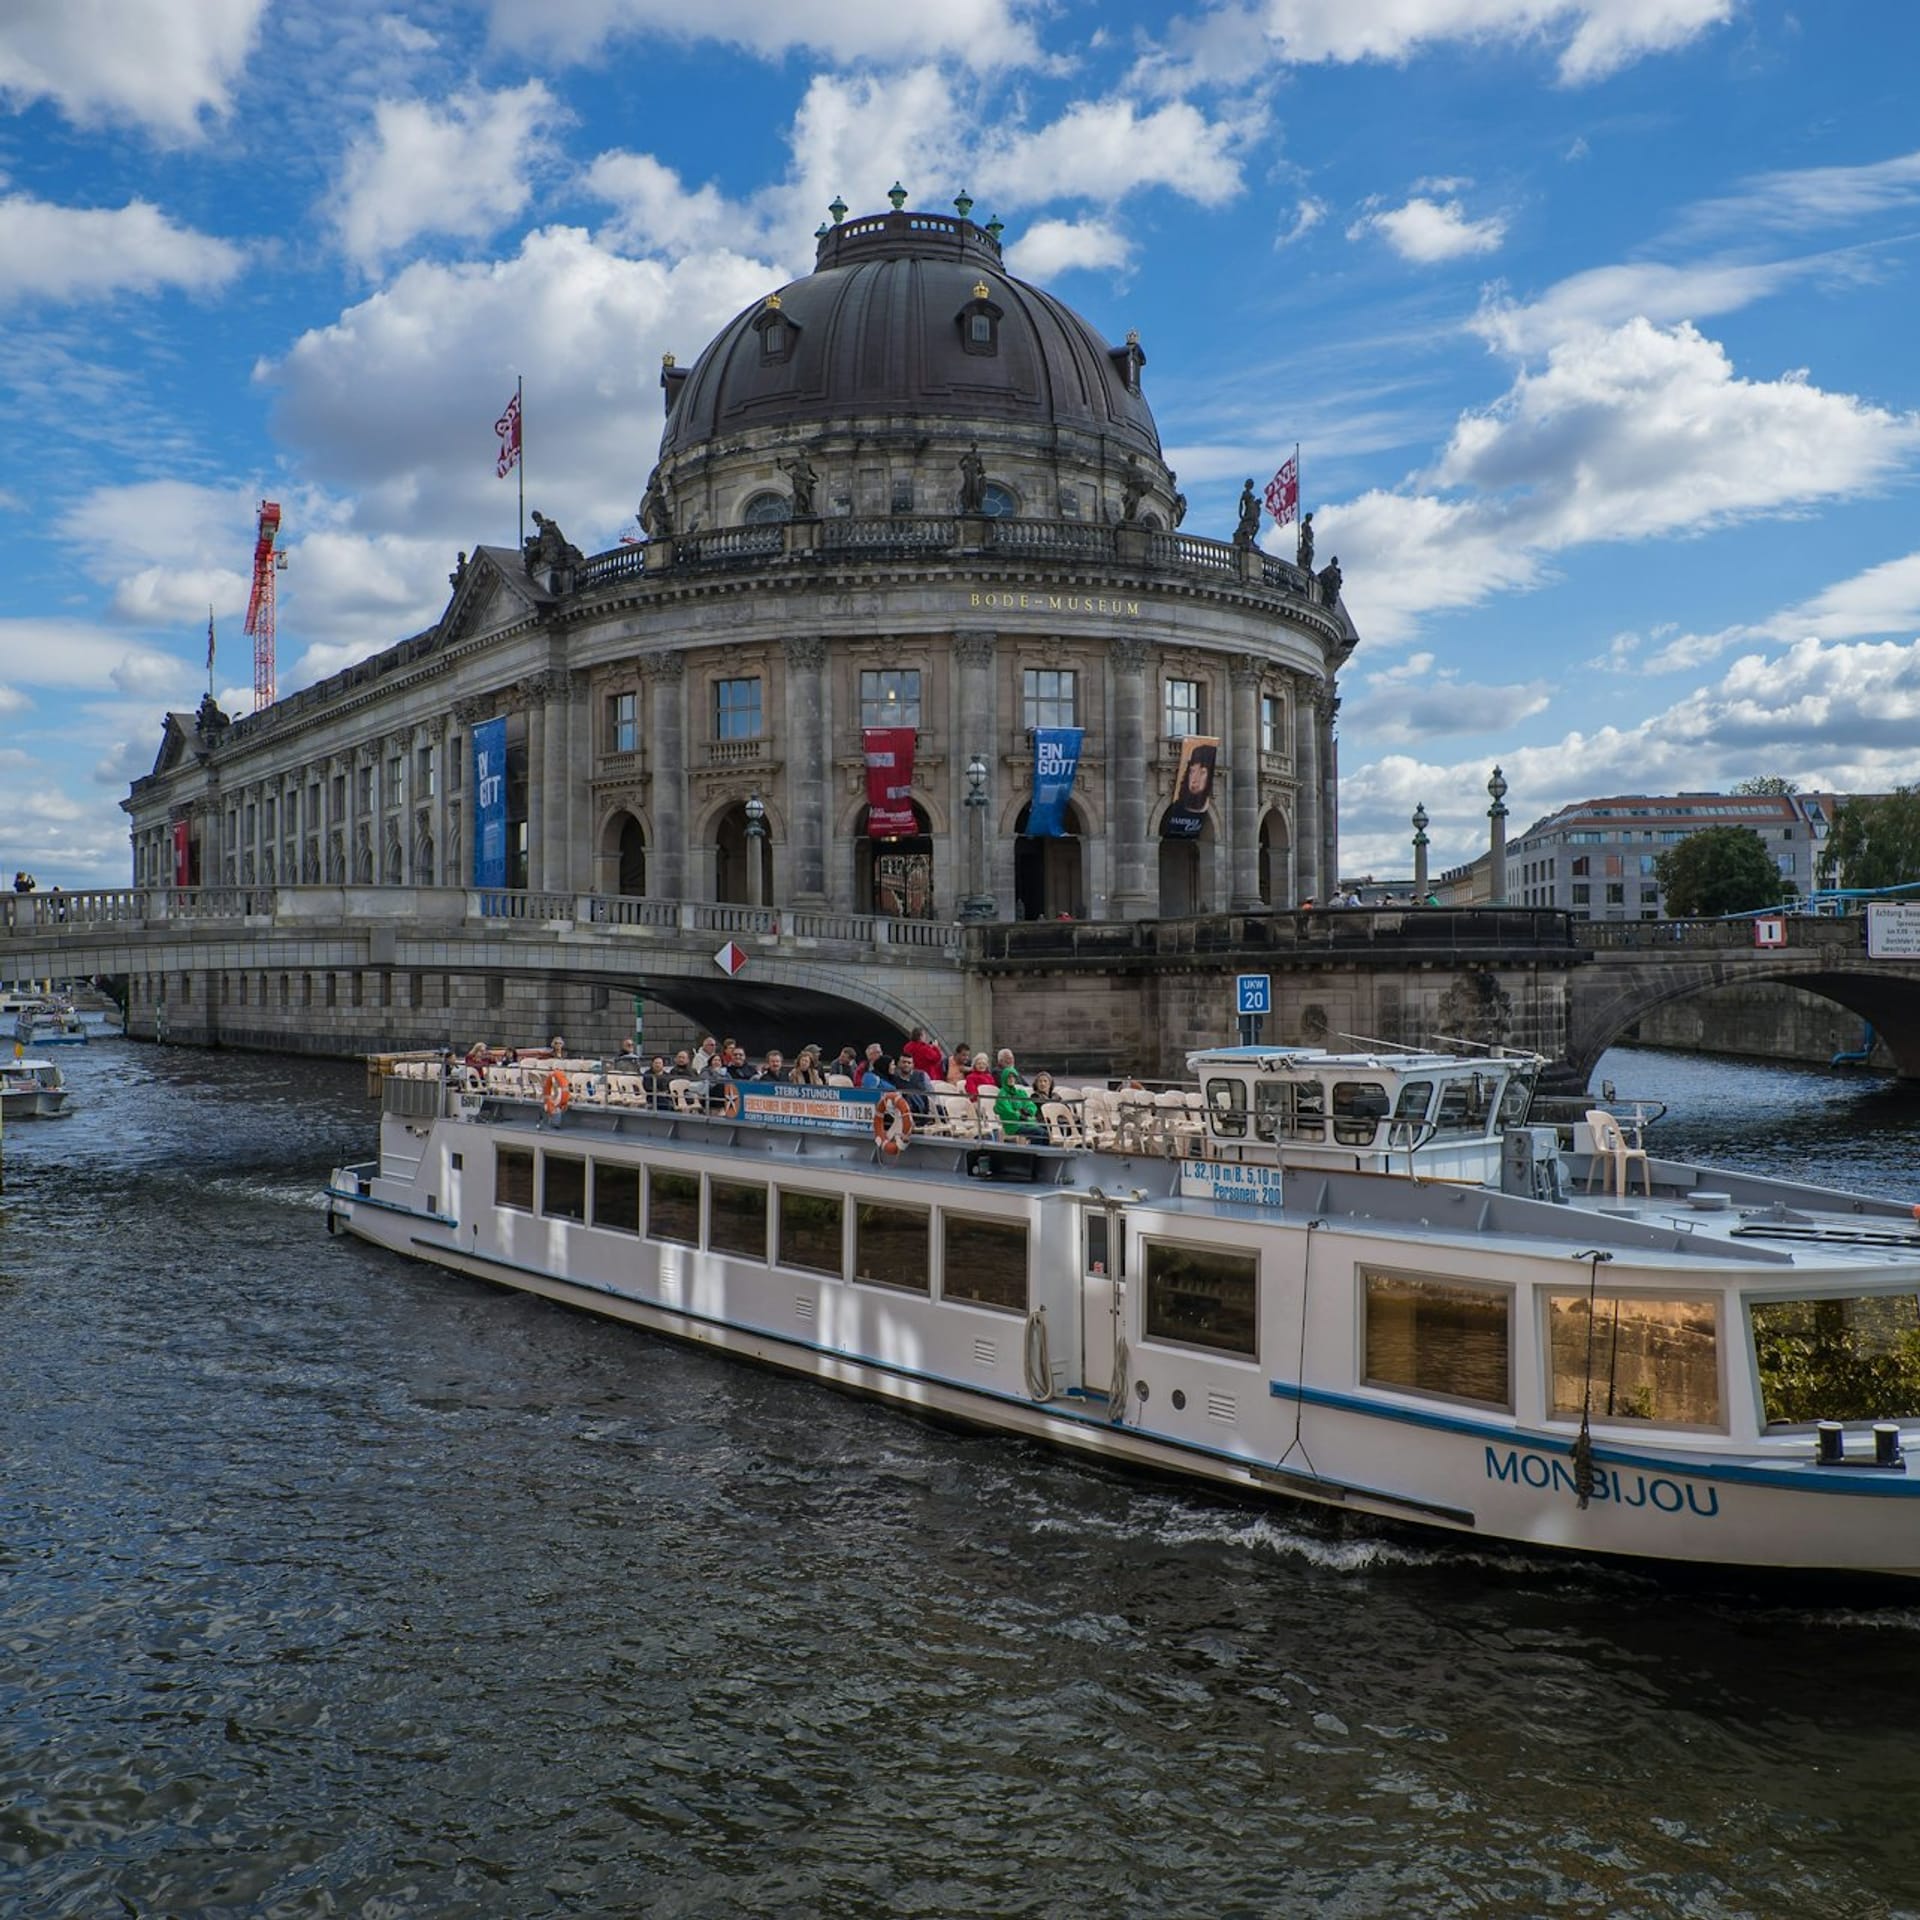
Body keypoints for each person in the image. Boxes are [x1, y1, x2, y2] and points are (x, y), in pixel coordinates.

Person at [995, 1064, 1044, 1142]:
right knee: (1039, 1132)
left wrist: (1028, 1112)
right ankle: (1035, 1151)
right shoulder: (1002, 1094)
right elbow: (1007, 1111)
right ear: (1004, 1078)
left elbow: (1031, 1105)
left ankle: (1039, 1151)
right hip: (1013, 1126)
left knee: (1045, 1133)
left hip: (1026, 1122)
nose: (1011, 1079)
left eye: (1013, 1077)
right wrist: (1020, 1116)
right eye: (1009, 1077)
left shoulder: (1020, 1092)